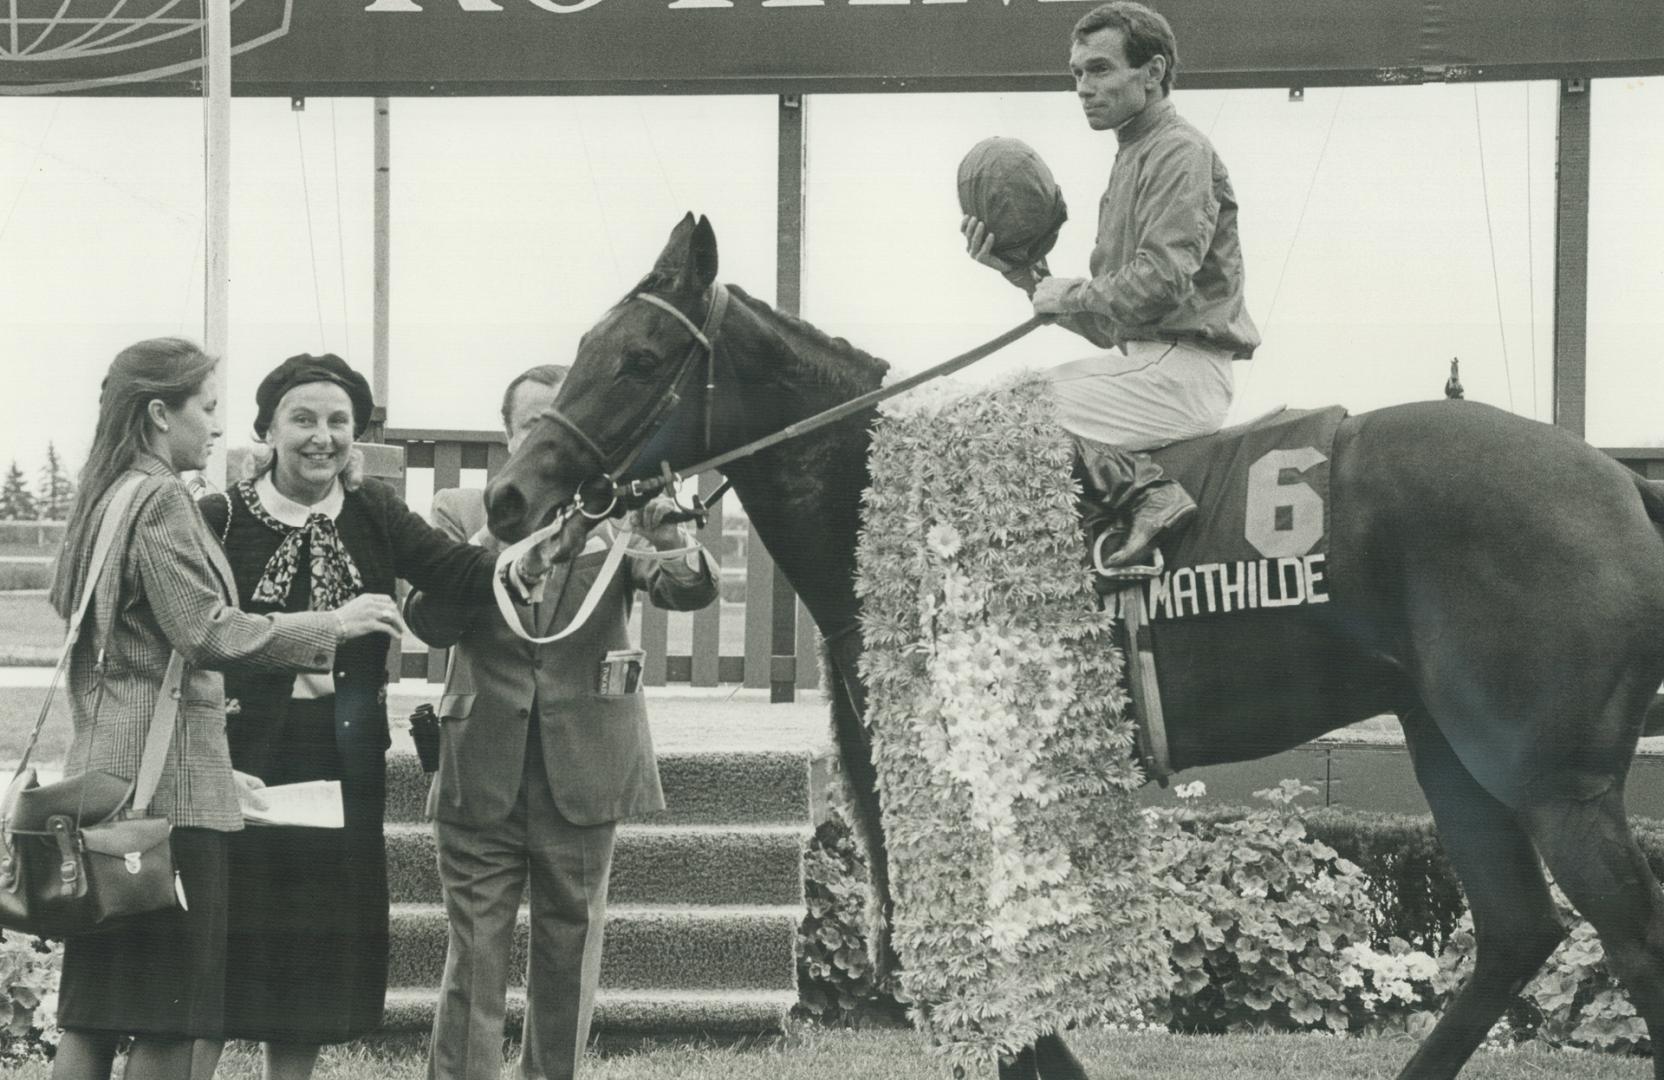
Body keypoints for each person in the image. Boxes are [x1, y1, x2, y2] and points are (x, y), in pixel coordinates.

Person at [45, 338, 403, 1080]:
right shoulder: (165, 498)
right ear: (156, 413)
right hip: (168, 796)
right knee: (172, 1017)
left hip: (107, 774)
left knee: (96, 1008)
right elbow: (207, 632)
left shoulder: (105, 495)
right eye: (206, 407)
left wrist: (214, 765)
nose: (216, 425)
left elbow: (93, 621)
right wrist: (331, 624)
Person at [197, 353, 555, 1080]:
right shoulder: (221, 516)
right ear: (267, 428)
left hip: (341, 757)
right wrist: (332, 620)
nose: (321, 436)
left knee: (313, 951)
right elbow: (208, 629)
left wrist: (527, 549)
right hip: (239, 757)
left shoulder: (372, 512)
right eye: (303, 418)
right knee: (225, 943)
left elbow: (455, 574)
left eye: (338, 421)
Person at [405, 363, 719, 1080]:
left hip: (585, 768)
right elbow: (432, 618)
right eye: (531, 429)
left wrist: (670, 533)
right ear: (508, 436)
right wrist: (504, 530)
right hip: (480, 759)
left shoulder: (615, 515)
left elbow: (687, 588)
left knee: (569, 950)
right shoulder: (459, 509)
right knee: (474, 956)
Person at [962, 1, 1260, 570]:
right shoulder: (1133, 153)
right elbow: (1108, 328)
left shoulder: (1178, 150)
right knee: (998, 405)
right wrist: (1024, 275)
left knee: (999, 412)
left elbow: (1162, 281)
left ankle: (1149, 491)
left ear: (1152, 73)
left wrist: (1065, 293)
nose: (1082, 87)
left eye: (1099, 69)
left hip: (1180, 372)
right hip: (1148, 365)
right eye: (1076, 73)